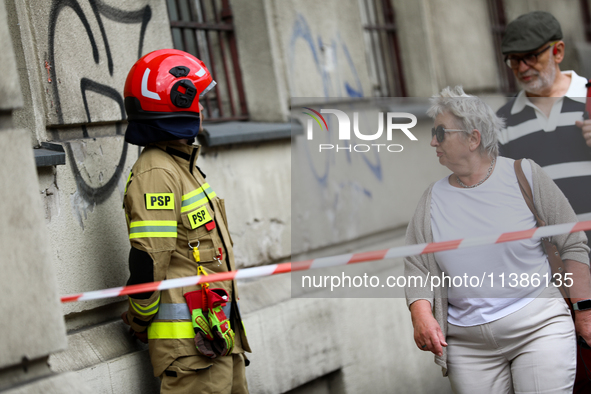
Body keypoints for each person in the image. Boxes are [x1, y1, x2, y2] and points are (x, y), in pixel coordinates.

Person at [405, 86, 591, 393]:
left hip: (538, 329)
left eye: (440, 132)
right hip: (468, 348)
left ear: (473, 138)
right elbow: (417, 267)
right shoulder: (431, 200)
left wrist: (584, 311)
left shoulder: (525, 175)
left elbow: (572, 242)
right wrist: (421, 314)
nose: (432, 141)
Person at [119, 49, 251, 393]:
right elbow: (148, 261)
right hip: (192, 353)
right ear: (178, 101)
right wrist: (138, 318)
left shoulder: (182, 167)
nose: (203, 109)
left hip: (218, 340)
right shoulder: (156, 172)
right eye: (199, 99)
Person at [496, 11, 591, 391]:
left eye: (531, 56)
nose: (522, 67)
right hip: (555, 279)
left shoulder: (589, 99)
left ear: (558, 50)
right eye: (513, 60)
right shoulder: (500, 124)